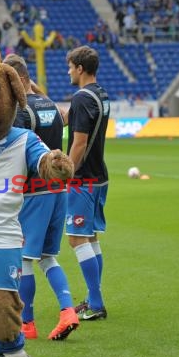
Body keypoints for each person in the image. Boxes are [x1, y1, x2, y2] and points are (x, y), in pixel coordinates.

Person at [4, 54, 79, 340]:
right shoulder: (51, 105)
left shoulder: (22, 112)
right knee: (48, 257)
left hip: (34, 191)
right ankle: (67, 311)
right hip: (58, 190)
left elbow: (18, 151)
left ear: (17, 80)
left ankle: (28, 323)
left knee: (24, 259)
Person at [65, 45, 110, 321]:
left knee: (76, 238)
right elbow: (67, 118)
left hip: (82, 179)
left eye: (70, 66)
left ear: (80, 68)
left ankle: (96, 302)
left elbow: (79, 142)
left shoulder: (82, 98)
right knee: (91, 237)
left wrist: (66, 174)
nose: (68, 71)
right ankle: (94, 296)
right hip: (99, 176)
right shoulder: (100, 94)